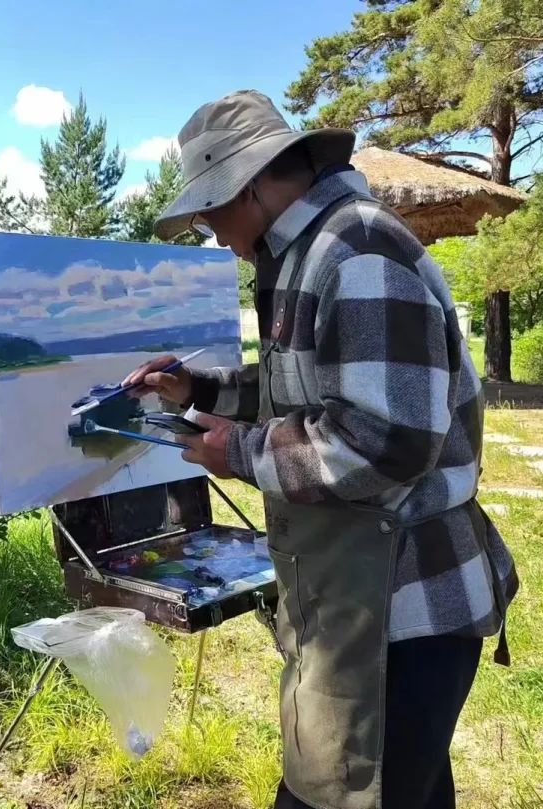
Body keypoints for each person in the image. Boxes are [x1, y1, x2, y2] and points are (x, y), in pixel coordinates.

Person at [123, 90, 519, 809]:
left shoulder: (358, 250)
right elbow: (303, 390)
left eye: (211, 213)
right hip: (366, 597)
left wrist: (239, 451)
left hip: (404, 603)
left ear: (248, 186)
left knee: (341, 794)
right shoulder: (312, 251)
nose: (214, 236)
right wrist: (196, 391)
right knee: (409, 790)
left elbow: (387, 443)